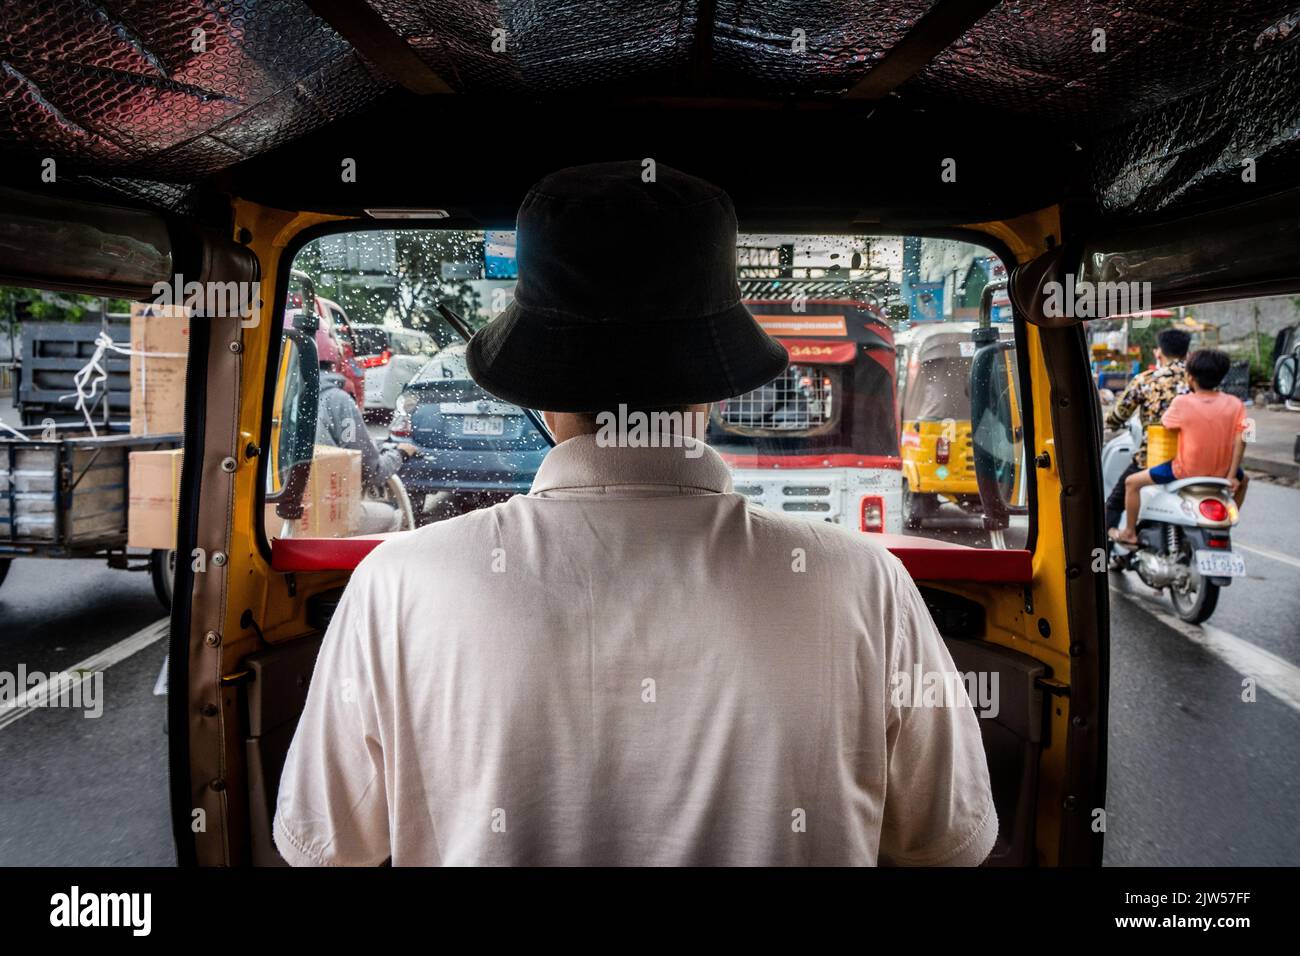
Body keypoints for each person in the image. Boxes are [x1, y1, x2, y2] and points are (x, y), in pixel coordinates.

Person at [274, 162, 996, 866]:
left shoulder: (396, 586)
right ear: (712, 389)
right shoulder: (865, 584)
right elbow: (947, 841)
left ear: (544, 396)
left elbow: (326, 844)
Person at [1110, 348, 1248, 546]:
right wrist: (1232, 475)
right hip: (1223, 473)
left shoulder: (1182, 403)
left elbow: (1166, 425)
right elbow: (1244, 437)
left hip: (1184, 471)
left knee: (1132, 482)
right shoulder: (1236, 404)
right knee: (1246, 481)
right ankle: (1224, 526)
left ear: (1190, 378)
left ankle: (1130, 532)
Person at [1103, 327, 1190, 532]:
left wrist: (1111, 421)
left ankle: (1108, 548)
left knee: (1114, 502)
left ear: (1158, 352)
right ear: (1187, 353)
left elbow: (1119, 415)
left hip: (1153, 458)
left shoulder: (1147, 380)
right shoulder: (1198, 380)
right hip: (1192, 457)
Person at [316, 361, 418, 534]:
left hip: (287, 511)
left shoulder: (284, 395)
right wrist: (401, 454)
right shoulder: (337, 399)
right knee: (394, 515)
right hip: (325, 514)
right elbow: (373, 472)